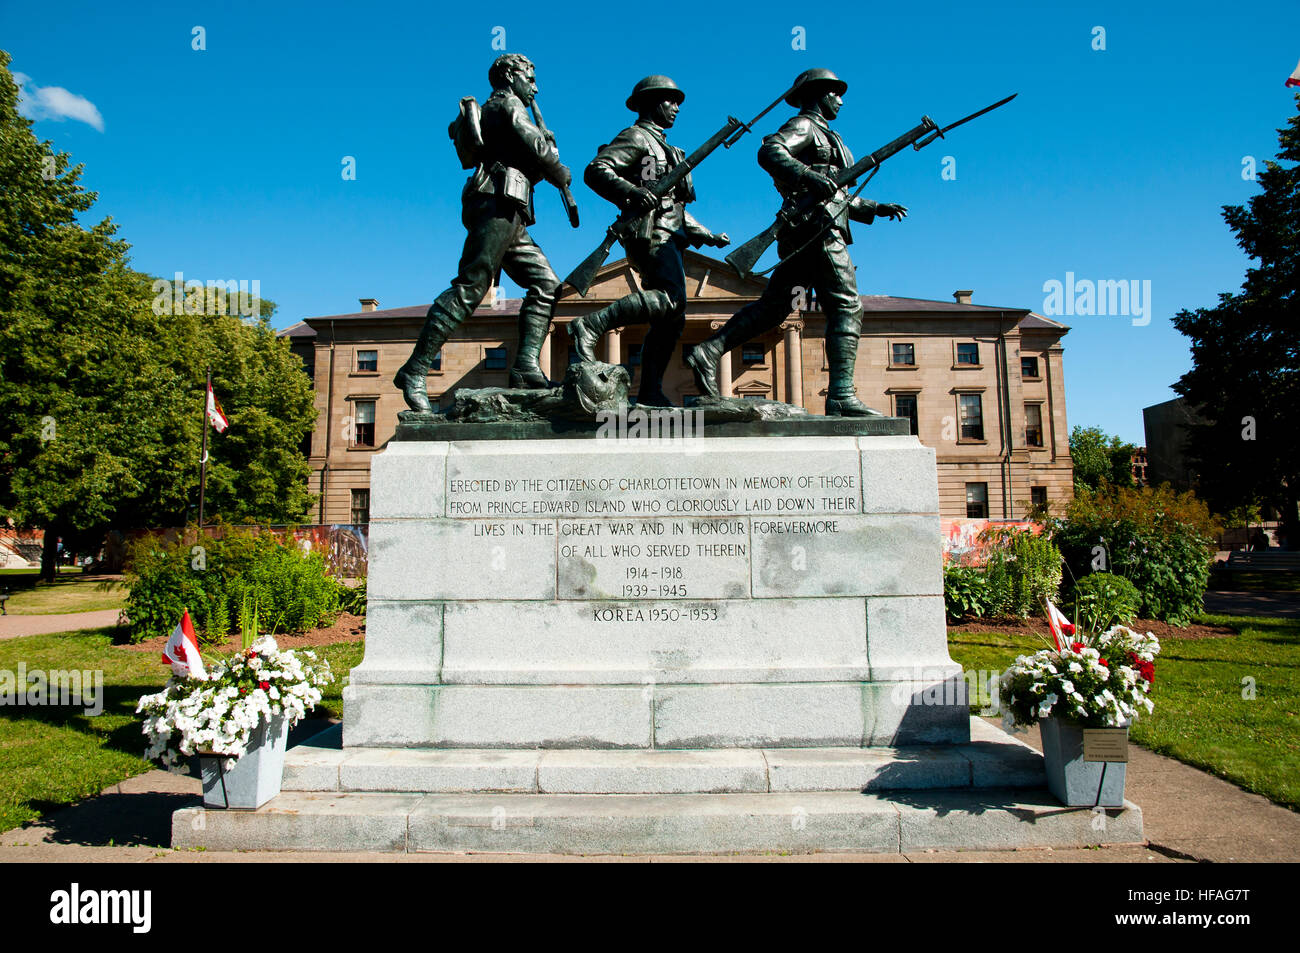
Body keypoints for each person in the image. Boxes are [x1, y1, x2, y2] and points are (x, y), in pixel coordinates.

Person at [685, 68, 907, 415]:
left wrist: (874, 207)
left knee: (775, 307)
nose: (841, 100)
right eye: (834, 93)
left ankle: (710, 350)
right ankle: (841, 396)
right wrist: (807, 175)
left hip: (809, 229)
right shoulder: (805, 126)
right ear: (817, 95)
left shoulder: (828, 136)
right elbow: (770, 151)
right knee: (847, 306)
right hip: (818, 230)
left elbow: (837, 191)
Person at [394, 54, 572, 411]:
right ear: (510, 76)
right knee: (472, 287)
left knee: (547, 285)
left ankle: (524, 366)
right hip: (495, 202)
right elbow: (537, 151)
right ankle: (414, 370)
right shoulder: (507, 105)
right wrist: (558, 167)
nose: (535, 86)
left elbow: (527, 161)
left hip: (512, 208)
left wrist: (544, 158)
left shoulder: (509, 109)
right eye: (530, 77)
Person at [567, 75, 729, 407]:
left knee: (672, 318)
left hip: (670, 231)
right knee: (671, 299)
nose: (677, 108)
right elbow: (597, 170)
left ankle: (651, 390)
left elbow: (675, 205)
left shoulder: (668, 147)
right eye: (671, 101)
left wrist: (706, 235)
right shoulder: (636, 137)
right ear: (654, 103)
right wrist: (633, 192)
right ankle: (592, 323)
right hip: (649, 232)